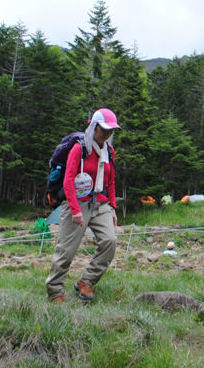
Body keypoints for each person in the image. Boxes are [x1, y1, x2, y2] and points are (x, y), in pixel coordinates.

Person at [46, 108, 120, 303]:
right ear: (94, 127)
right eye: (104, 129)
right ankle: (55, 291)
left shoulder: (109, 152)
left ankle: (86, 281)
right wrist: (75, 209)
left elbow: (111, 182)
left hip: (100, 203)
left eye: (111, 130)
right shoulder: (80, 148)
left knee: (109, 241)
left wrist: (112, 207)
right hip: (77, 203)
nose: (107, 134)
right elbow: (68, 180)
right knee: (67, 250)